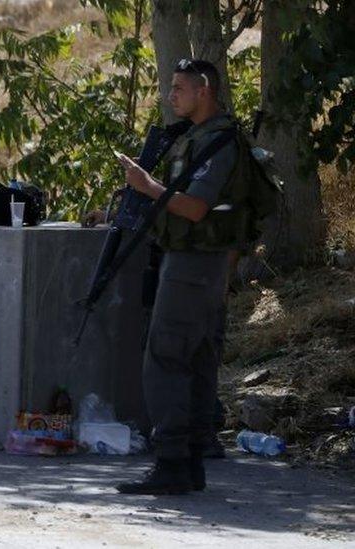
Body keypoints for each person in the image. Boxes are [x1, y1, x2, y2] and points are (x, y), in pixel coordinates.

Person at [115, 59, 242, 495]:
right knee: (195, 358)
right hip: (194, 262)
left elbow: (193, 208)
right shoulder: (200, 138)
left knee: (166, 357)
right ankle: (189, 461)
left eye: (180, 88)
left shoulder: (219, 142)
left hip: (194, 263)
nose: (172, 96)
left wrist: (146, 185)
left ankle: (172, 461)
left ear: (203, 91)